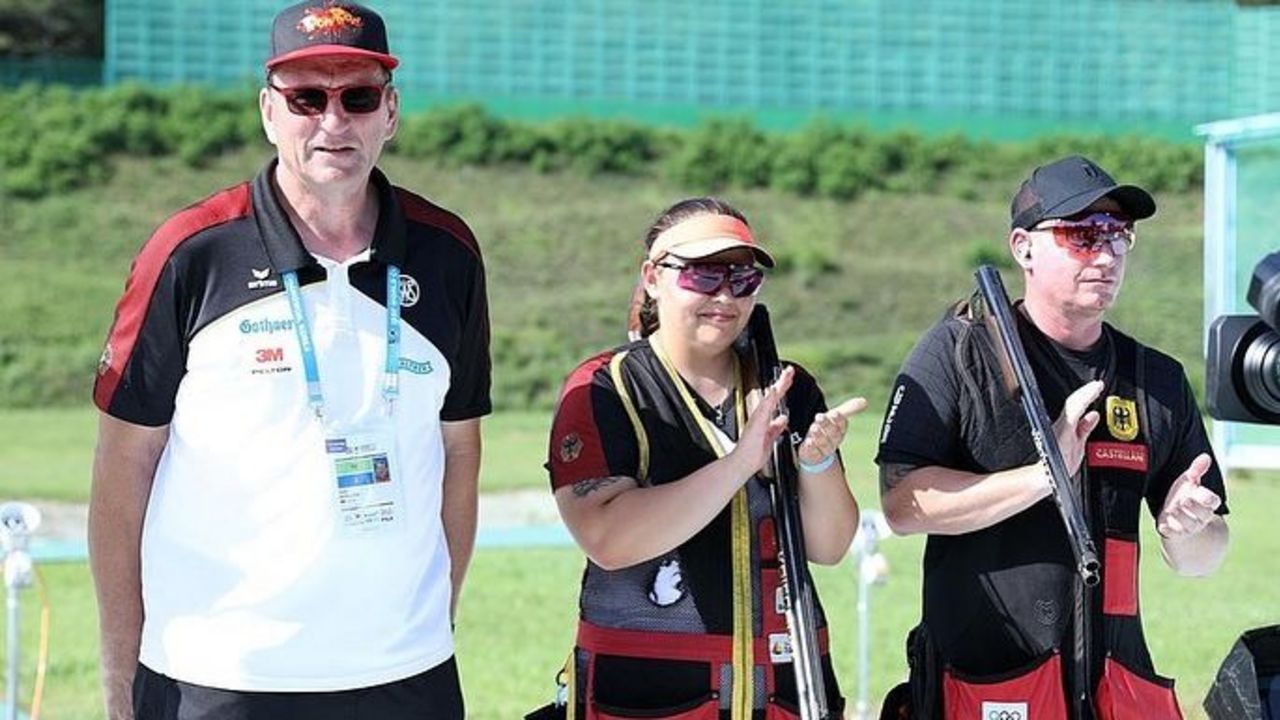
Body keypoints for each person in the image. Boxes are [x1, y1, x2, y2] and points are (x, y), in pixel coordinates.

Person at [89, 3, 489, 718]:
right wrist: (120, 683)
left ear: (390, 112)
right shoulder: (192, 250)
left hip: (407, 674)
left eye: (357, 97)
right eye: (307, 98)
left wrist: (434, 616)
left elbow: (460, 449)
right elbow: (123, 467)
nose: (333, 122)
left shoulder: (448, 252)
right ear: (269, 112)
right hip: (216, 675)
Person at [875, 155, 1229, 720]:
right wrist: (1046, 475)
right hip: (988, 684)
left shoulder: (1154, 378)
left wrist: (1188, 529)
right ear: (1024, 247)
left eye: (1118, 235)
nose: (1107, 253)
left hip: (1114, 687)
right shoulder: (960, 353)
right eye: (1083, 234)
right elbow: (902, 505)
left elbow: (1201, 559)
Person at [547, 197, 867, 719]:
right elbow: (607, 538)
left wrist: (816, 463)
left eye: (742, 279)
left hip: (784, 689)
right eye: (702, 275)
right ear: (653, 277)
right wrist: (740, 463)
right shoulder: (607, 387)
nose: (724, 295)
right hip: (648, 697)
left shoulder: (786, 384)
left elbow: (829, 547)